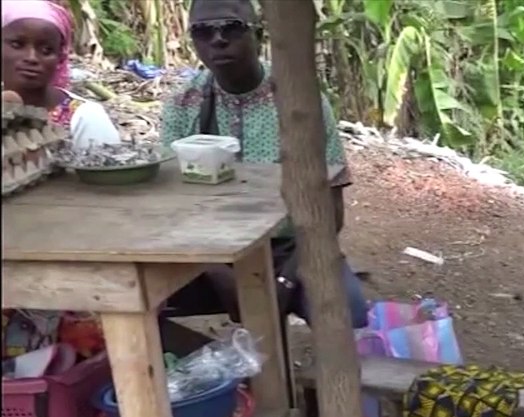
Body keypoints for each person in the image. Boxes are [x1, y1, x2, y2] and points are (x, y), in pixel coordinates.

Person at [158, 0, 367, 329]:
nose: (217, 40)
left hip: (290, 248)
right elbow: (168, 208)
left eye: (231, 28)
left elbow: (331, 212)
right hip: (208, 252)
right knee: (143, 301)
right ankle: (193, 377)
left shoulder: (301, 101)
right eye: (203, 31)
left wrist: (286, 279)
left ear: (257, 34)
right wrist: (217, 272)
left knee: (346, 309)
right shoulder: (183, 104)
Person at [1, 0, 120, 148]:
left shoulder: (85, 118)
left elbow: (109, 170)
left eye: (46, 50)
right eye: (17, 44)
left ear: (60, 57)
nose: (31, 57)